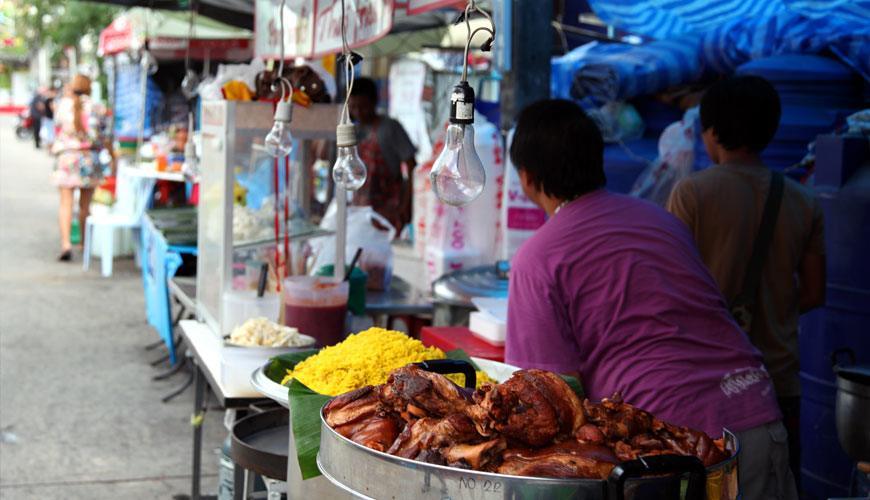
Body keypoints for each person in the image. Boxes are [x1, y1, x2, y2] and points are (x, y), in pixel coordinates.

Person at [505, 99, 796, 499]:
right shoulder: (662, 221)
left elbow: (548, 394)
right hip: (755, 415)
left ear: (527, 177)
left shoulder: (538, 257)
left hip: (667, 452)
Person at [666, 76, 826, 484]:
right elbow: (812, 292)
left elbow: (667, 288)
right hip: (778, 380)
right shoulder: (804, 201)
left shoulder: (691, 194)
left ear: (712, 131)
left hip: (704, 382)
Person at [348, 77, 417, 233]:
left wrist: (406, 205)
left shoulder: (390, 128)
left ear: (374, 102)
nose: (358, 112)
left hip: (388, 208)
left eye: (363, 107)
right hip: (360, 207)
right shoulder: (353, 130)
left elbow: (412, 165)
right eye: (353, 107)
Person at [50, 74, 107, 261]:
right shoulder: (96, 107)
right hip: (88, 158)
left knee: (65, 204)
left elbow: (56, 129)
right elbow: (102, 135)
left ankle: (66, 243)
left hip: (67, 158)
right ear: (89, 88)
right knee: (85, 206)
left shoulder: (63, 106)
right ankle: (84, 243)